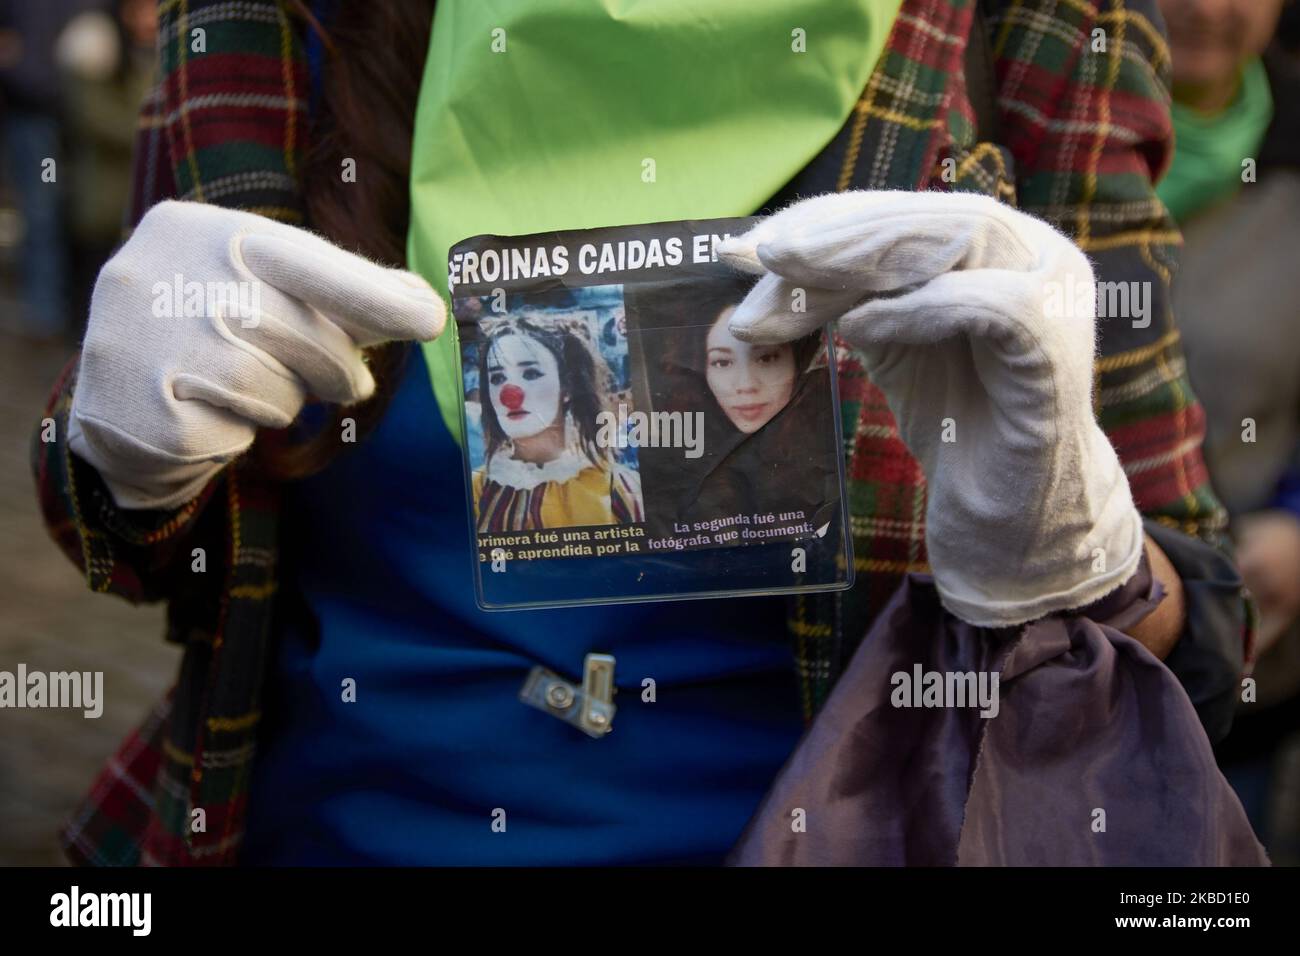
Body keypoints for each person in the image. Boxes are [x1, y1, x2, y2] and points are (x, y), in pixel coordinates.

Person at [35, 0, 1261, 866]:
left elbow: (1201, 645)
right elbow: (153, 564)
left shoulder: (1036, 25)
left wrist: (1064, 548)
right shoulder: (270, 19)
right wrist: (119, 456)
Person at [1156, 0, 1300, 863]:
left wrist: (1297, 516)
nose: (1210, 7)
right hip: (1048, 652)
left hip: (1248, 651)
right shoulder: (1035, 136)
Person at [472, 316, 643, 531]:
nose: (510, 394)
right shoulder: (475, 491)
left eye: (531, 373)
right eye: (497, 378)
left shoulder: (621, 488)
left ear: (567, 387)